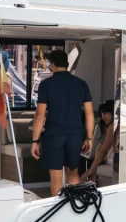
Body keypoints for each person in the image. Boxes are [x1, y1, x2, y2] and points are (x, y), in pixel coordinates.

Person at [30, 50, 94, 196]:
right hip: (75, 135)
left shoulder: (46, 85)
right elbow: (89, 114)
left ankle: (58, 207)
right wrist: (89, 138)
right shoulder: (81, 84)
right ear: (67, 64)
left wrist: (35, 141)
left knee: (56, 175)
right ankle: (73, 205)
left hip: (54, 135)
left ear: (52, 64)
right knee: (73, 172)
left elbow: (40, 116)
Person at [80, 100, 115, 184]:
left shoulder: (112, 127)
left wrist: (90, 170)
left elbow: (104, 151)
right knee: (99, 146)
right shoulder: (113, 126)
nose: (103, 117)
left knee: (100, 147)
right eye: (101, 114)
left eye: (105, 113)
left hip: (114, 159)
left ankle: (93, 177)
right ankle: (93, 177)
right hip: (114, 157)